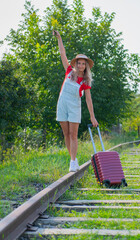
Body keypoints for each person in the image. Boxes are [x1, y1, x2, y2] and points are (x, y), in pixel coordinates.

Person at [53, 30, 99, 172]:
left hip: (74, 107)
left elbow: (88, 99)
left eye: (83, 64)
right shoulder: (68, 71)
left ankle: (72, 162)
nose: (80, 66)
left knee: (73, 135)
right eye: (78, 63)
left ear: (86, 66)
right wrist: (59, 38)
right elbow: (62, 54)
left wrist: (92, 116)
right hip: (62, 104)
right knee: (66, 134)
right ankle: (73, 159)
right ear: (75, 64)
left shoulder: (85, 81)